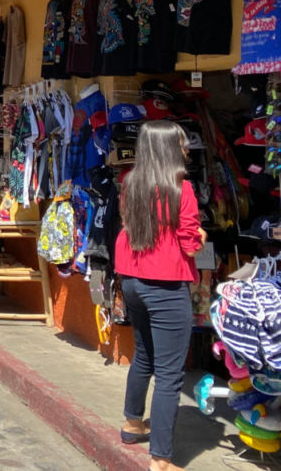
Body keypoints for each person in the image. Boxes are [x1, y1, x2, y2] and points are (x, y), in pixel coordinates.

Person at [115, 120, 205, 471]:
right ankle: (162, 459)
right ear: (169, 149)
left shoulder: (130, 183)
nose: (186, 149)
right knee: (170, 374)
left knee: (145, 356)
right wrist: (200, 236)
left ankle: (132, 422)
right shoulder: (181, 190)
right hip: (166, 284)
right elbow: (188, 241)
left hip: (133, 280)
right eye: (182, 144)